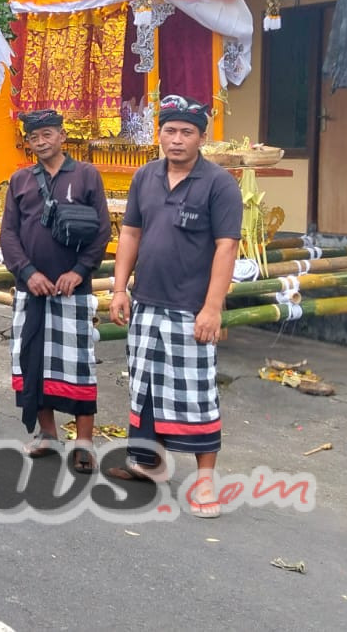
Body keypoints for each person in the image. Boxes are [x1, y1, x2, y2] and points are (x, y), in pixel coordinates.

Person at [108, 94, 241, 518]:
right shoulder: (145, 177)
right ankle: (150, 463)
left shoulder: (219, 184)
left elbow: (226, 248)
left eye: (187, 132)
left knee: (196, 394)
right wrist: (119, 289)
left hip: (191, 308)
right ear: (159, 133)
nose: (177, 139)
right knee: (144, 386)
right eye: (170, 131)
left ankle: (205, 483)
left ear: (202, 137)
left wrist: (213, 308)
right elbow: (130, 234)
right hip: (147, 301)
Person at [0, 109, 111, 473]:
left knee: (79, 364)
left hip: (71, 290)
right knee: (33, 361)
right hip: (30, 289)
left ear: (62, 136)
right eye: (35, 137)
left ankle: (84, 441)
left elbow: (102, 231)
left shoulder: (86, 175)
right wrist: (27, 273)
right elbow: (9, 234)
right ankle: (47, 433)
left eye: (48, 134)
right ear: (29, 142)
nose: (42, 142)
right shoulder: (20, 180)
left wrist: (79, 272)